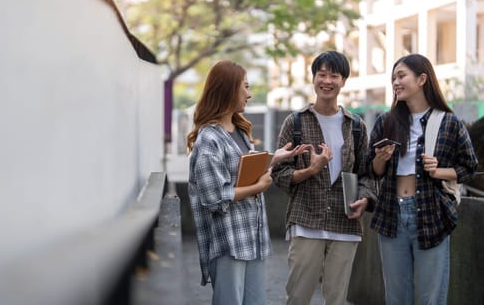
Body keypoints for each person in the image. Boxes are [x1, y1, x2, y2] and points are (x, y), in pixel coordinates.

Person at [187, 59, 309, 305]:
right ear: (228, 89)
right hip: (228, 240)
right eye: (245, 86)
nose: (250, 94)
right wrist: (258, 188)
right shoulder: (209, 139)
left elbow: (244, 169)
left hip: (251, 236)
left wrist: (275, 158)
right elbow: (213, 198)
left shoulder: (240, 131)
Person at [367, 53, 478, 305]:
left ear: (422, 79)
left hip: (431, 213)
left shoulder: (449, 123)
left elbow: (469, 167)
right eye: (393, 77)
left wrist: (439, 171)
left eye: (402, 75)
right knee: (396, 297)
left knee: (431, 297)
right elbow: (372, 170)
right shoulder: (386, 122)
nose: (396, 82)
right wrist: (381, 158)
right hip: (391, 214)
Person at [271, 51, 377, 305]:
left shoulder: (356, 125)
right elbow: (279, 173)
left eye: (334, 75)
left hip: (345, 223)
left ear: (343, 81)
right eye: (322, 74)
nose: (327, 81)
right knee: (298, 296)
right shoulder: (295, 122)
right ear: (314, 78)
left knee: (337, 299)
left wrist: (364, 198)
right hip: (306, 219)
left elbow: (368, 172)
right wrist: (311, 170)